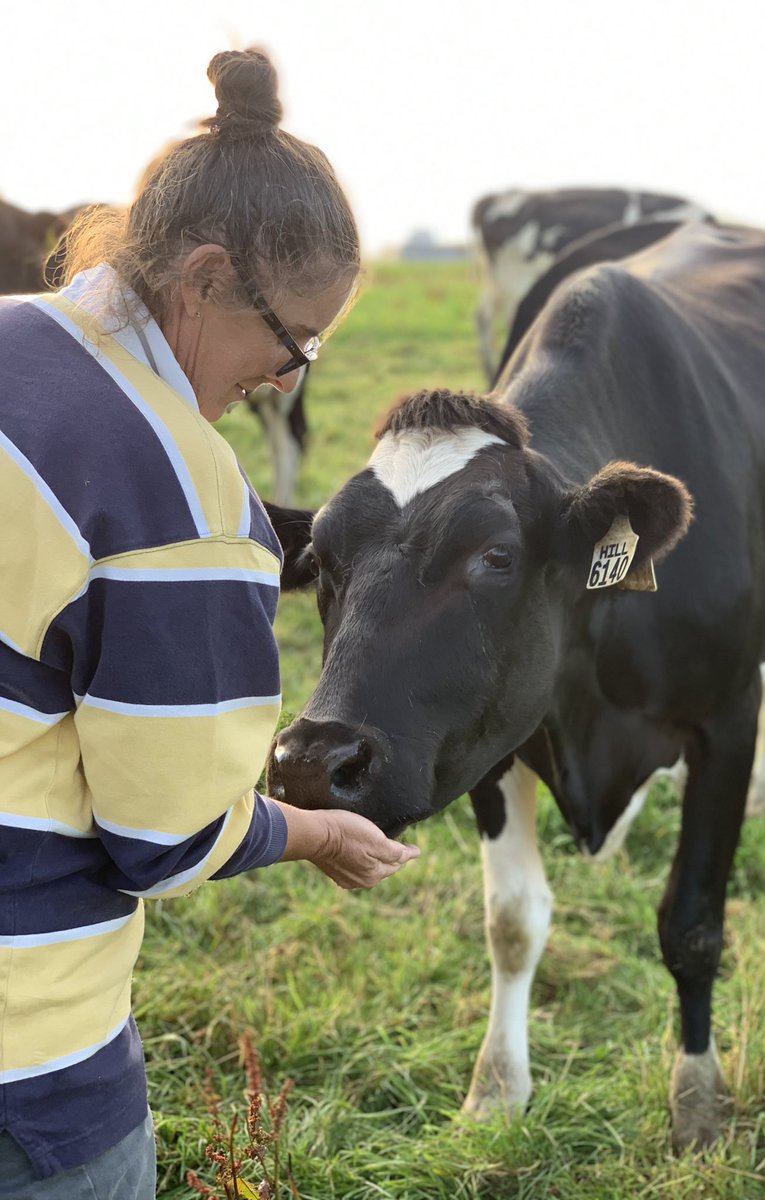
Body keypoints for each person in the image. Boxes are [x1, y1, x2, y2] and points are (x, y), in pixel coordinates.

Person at [0, 48, 419, 1199]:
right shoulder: (181, 497)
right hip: (26, 1068)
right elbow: (166, 835)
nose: (291, 380)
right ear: (204, 277)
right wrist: (308, 831)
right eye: (297, 342)